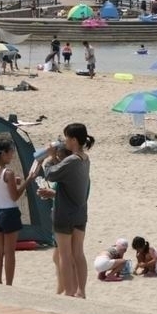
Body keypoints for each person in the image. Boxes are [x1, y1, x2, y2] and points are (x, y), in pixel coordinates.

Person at [42, 123, 94, 298]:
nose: (64, 141)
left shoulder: (71, 160)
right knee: (78, 253)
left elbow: (50, 174)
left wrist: (49, 158)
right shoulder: (84, 159)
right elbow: (66, 174)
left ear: (73, 140)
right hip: (80, 213)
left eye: (66, 138)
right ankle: (82, 291)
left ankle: (70, 291)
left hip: (64, 213)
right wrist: (57, 159)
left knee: (64, 254)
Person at [0, 138, 34, 285]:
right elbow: (15, 196)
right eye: (11, 152)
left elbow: (1, 185)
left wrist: (15, 181)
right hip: (9, 213)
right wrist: (28, 181)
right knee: (10, 252)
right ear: (3, 153)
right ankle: (9, 285)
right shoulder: (8, 173)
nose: (12, 155)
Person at [36, 142, 73, 294]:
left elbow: (73, 196)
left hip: (65, 216)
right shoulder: (71, 169)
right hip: (60, 213)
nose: (57, 158)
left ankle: (67, 289)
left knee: (64, 256)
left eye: (59, 155)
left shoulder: (69, 170)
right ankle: (61, 288)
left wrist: (51, 157)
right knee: (58, 256)